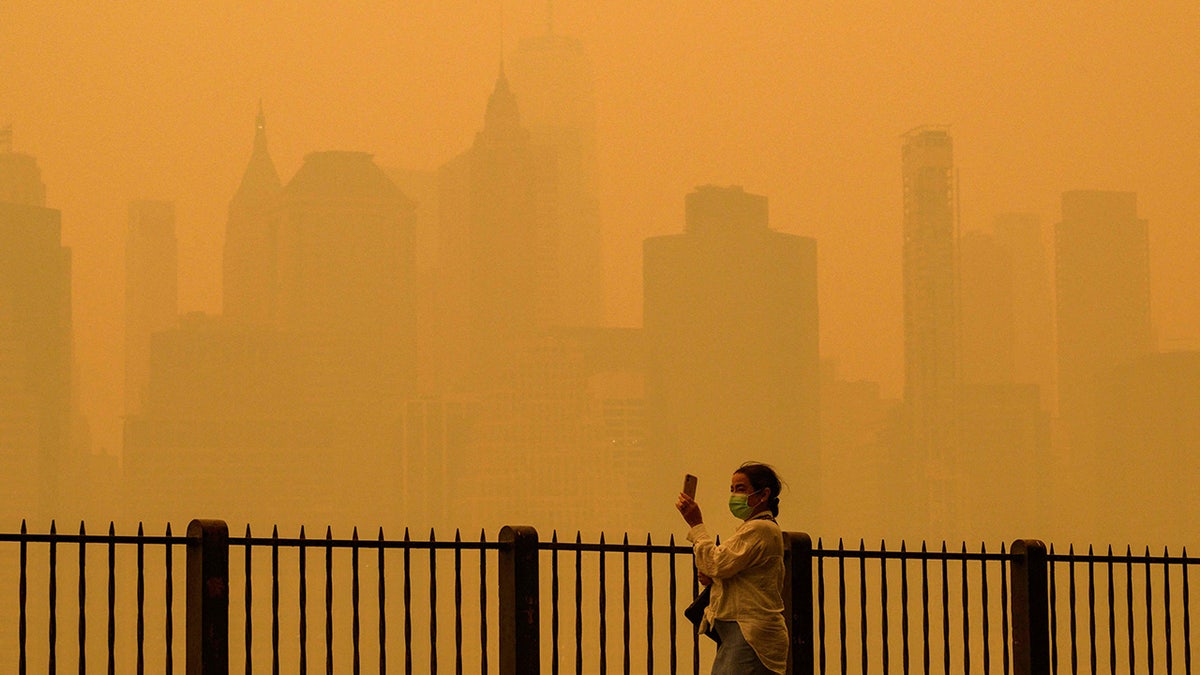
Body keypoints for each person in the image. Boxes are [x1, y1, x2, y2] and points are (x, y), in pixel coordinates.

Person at [675, 462, 788, 674]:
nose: (735, 495)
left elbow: (717, 563)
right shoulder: (756, 529)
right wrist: (715, 579)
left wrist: (696, 525)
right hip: (741, 634)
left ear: (763, 495)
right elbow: (741, 575)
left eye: (741, 489)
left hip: (749, 634)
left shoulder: (760, 528)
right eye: (732, 489)